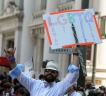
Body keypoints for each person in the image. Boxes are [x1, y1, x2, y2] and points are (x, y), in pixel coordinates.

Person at [4, 47, 80, 96]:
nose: (49, 72)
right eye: (47, 70)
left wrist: (76, 54)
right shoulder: (34, 84)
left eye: (53, 71)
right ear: (44, 72)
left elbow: (73, 74)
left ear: (57, 74)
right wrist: (11, 58)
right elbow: (19, 74)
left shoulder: (60, 87)